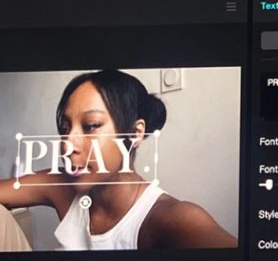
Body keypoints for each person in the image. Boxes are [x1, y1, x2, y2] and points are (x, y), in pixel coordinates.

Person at [0, 69, 237, 250]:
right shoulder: (62, 186)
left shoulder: (174, 218)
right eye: (65, 128)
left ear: (135, 134)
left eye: (90, 126)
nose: (67, 145)